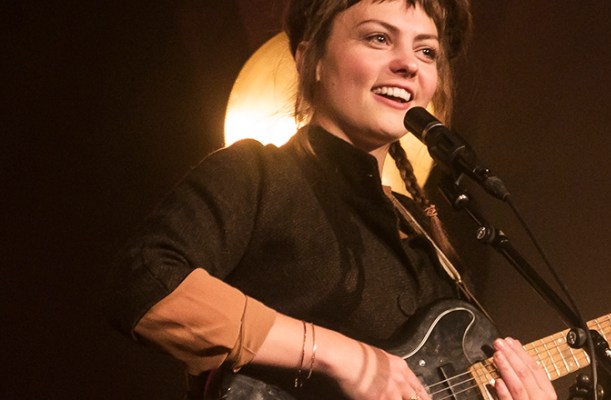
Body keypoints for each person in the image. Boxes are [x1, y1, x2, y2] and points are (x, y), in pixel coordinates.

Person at [107, 1, 557, 399]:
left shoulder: (420, 232)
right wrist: (342, 357)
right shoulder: (258, 173)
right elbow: (146, 283)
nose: (409, 64)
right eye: (379, 38)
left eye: (426, 51)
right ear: (312, 59)